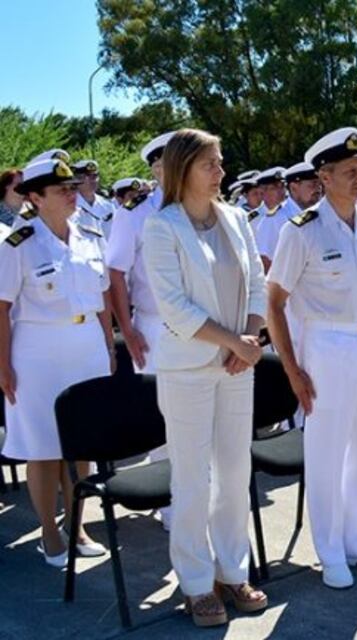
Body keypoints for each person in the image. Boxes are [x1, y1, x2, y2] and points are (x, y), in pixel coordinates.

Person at [267, 126, 357, 590]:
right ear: (322, 176)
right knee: (326, 453)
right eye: (348, 171)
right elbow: (274, 301)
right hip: (325, 346)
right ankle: (329, 550)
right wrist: (292, 369)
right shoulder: (300, 231)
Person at [143, 129, 268, 627]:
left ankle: (232, 570)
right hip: (189, 369)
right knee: (193, 479)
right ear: (184, 169)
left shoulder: (236, 218)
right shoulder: (162, 227)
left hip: (238, 365)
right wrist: (233, 342)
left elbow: (257, 282)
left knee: (235, 474)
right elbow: (174, 307)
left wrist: (252, 338)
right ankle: (196, 584)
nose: (221, 171)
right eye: (210, 164)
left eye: (220, 162)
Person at [0, 159, 114, 567]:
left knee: (80, 443)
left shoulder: (89, 235)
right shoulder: (18, 244)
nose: (72, 193)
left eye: (73, 187)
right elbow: (2, 308)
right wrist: (3, 366)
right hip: (38, 352)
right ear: (34, 198)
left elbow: (101, 300)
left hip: (85, 348)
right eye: (61, 189)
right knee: (44, 449)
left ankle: (77, 524)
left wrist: (108, 346)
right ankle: (49, 531)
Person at [106, 132, 176, 530]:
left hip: (201, 329)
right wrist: (128, 327)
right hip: (155, 324)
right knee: (163, 413)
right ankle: (170, 501)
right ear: (156, 168)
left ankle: (196, 491)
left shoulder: (199, 207)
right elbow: (115, 271)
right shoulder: (134, 213)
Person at [253, 166, 287, 269]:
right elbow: (263, 260)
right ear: (262, 193)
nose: (281, 191)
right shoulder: (253, 219)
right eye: (274, 188)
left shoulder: (288, 212)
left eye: (282, 186)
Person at [72, 160, 115, 238]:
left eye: (95, 176)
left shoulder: (107, 206)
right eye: (88, 176)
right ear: (78, 179)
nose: (93, 180)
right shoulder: (69, 204)